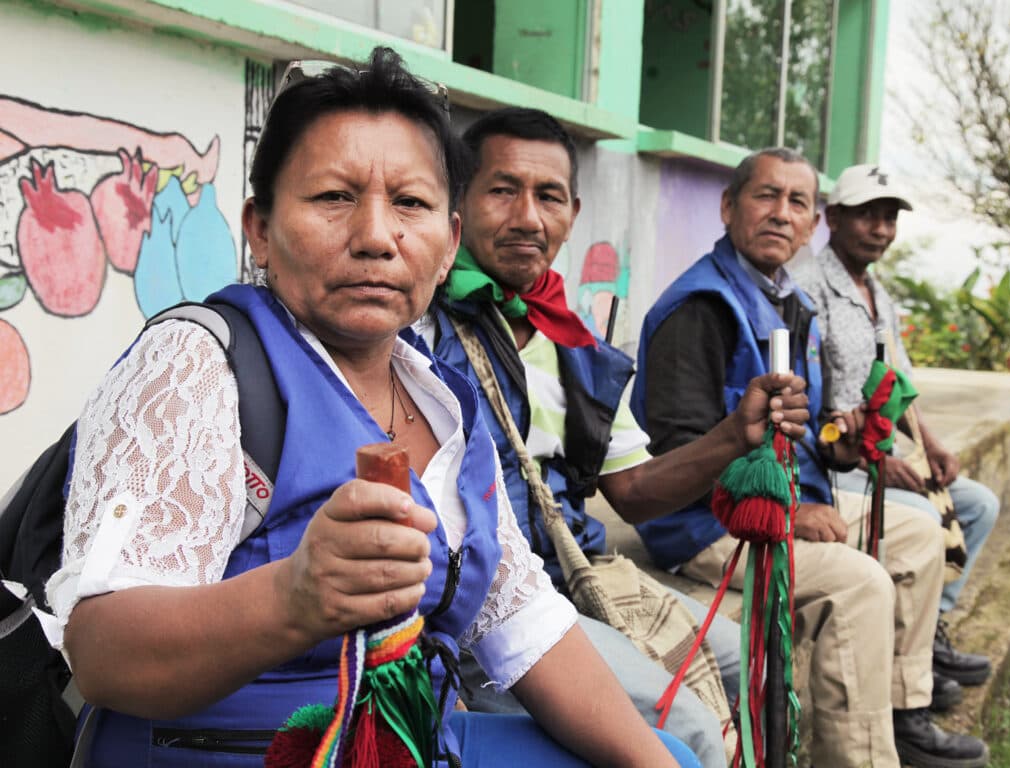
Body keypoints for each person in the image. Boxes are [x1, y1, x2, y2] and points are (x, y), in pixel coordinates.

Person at [43, 49, 699, 768]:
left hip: (403, 742)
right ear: (259, 228)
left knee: (669, 751)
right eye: (333, 197)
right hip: (232, 752)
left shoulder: (446, 400)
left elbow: (527, 625)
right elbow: (101, 653)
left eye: (411, 205)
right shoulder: (198, 366)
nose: (378, 237)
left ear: (449, 244)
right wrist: (292, 596)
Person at [416, 107, 811, 768]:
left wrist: (735, 435)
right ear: (459, 202)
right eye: (502, 189)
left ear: (572, 212)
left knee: (753, 666)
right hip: (484, 613)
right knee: (686, 729)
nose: (528, 218)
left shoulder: (573, 341)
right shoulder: (417, 327)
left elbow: (630, 492)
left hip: (574, 577)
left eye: (548, 197)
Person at [630, 148, 990, 768]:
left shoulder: (789, 300)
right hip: (708, 525)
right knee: (861, 583)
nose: (781, 213)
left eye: (797, 202)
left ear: (811, 223)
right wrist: (790, 517)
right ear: (728, 207)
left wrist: (836, 444)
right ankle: (859, 758)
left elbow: (805, 427)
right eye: (765, 196)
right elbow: (678, 460)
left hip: (792, 496)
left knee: (918, 532)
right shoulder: (701, 307)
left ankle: (903, 713)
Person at [792, 163, 998, 701]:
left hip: (882, 453)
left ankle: (929, 636)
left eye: (889, 218)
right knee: (924, 518)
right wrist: (876, 464)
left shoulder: (878, 293)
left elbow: (897, 384)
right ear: (832, 218)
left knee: (978, 504)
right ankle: (906, 667)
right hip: (833, 462)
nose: (881, 229)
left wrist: (930, 446)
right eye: (867, 216)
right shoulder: (807, 291)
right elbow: (814, 415)